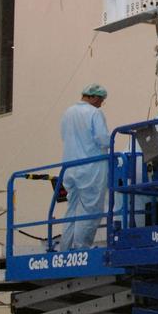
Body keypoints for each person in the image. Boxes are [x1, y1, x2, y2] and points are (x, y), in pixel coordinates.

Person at [59, 83, 110, 250]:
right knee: (91, 209)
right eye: (101, 100)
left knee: (72, 209)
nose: (101, 104)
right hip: (90, 167)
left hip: (70, 167)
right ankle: (82, 248)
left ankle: (66, 248)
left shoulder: (68, 113)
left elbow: (64, 136)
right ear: (94, 97)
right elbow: (102, 139)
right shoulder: (94, 113)